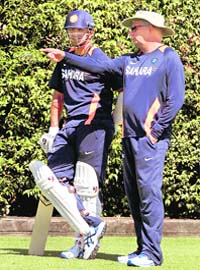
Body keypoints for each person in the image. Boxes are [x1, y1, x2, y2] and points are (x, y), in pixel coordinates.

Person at [41, 10, 185, 267]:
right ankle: (142, 250)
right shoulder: (130, 60)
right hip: (129, 137)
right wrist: (65, 57)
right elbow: (99, 67)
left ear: (151, 29)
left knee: (149, 195)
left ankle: (152, 254)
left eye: (135, 27)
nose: (130, 32)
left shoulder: (168, 58)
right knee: (135, 196)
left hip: (149, 139)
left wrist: (154, 131)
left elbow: (175, 99)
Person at [39, 9, 122, 260]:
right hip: (71, 126)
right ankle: (89, 224)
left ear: (90, 31)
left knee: (87, 185)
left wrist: (116, 124)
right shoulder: (63, 60)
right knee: (55, 179)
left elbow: (122, 89)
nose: (74, 34)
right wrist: (54, 129)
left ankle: (83, 243)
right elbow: (57, 96)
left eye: (79, 30)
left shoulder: (100, 59)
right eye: (70, 30)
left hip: (94, 125)